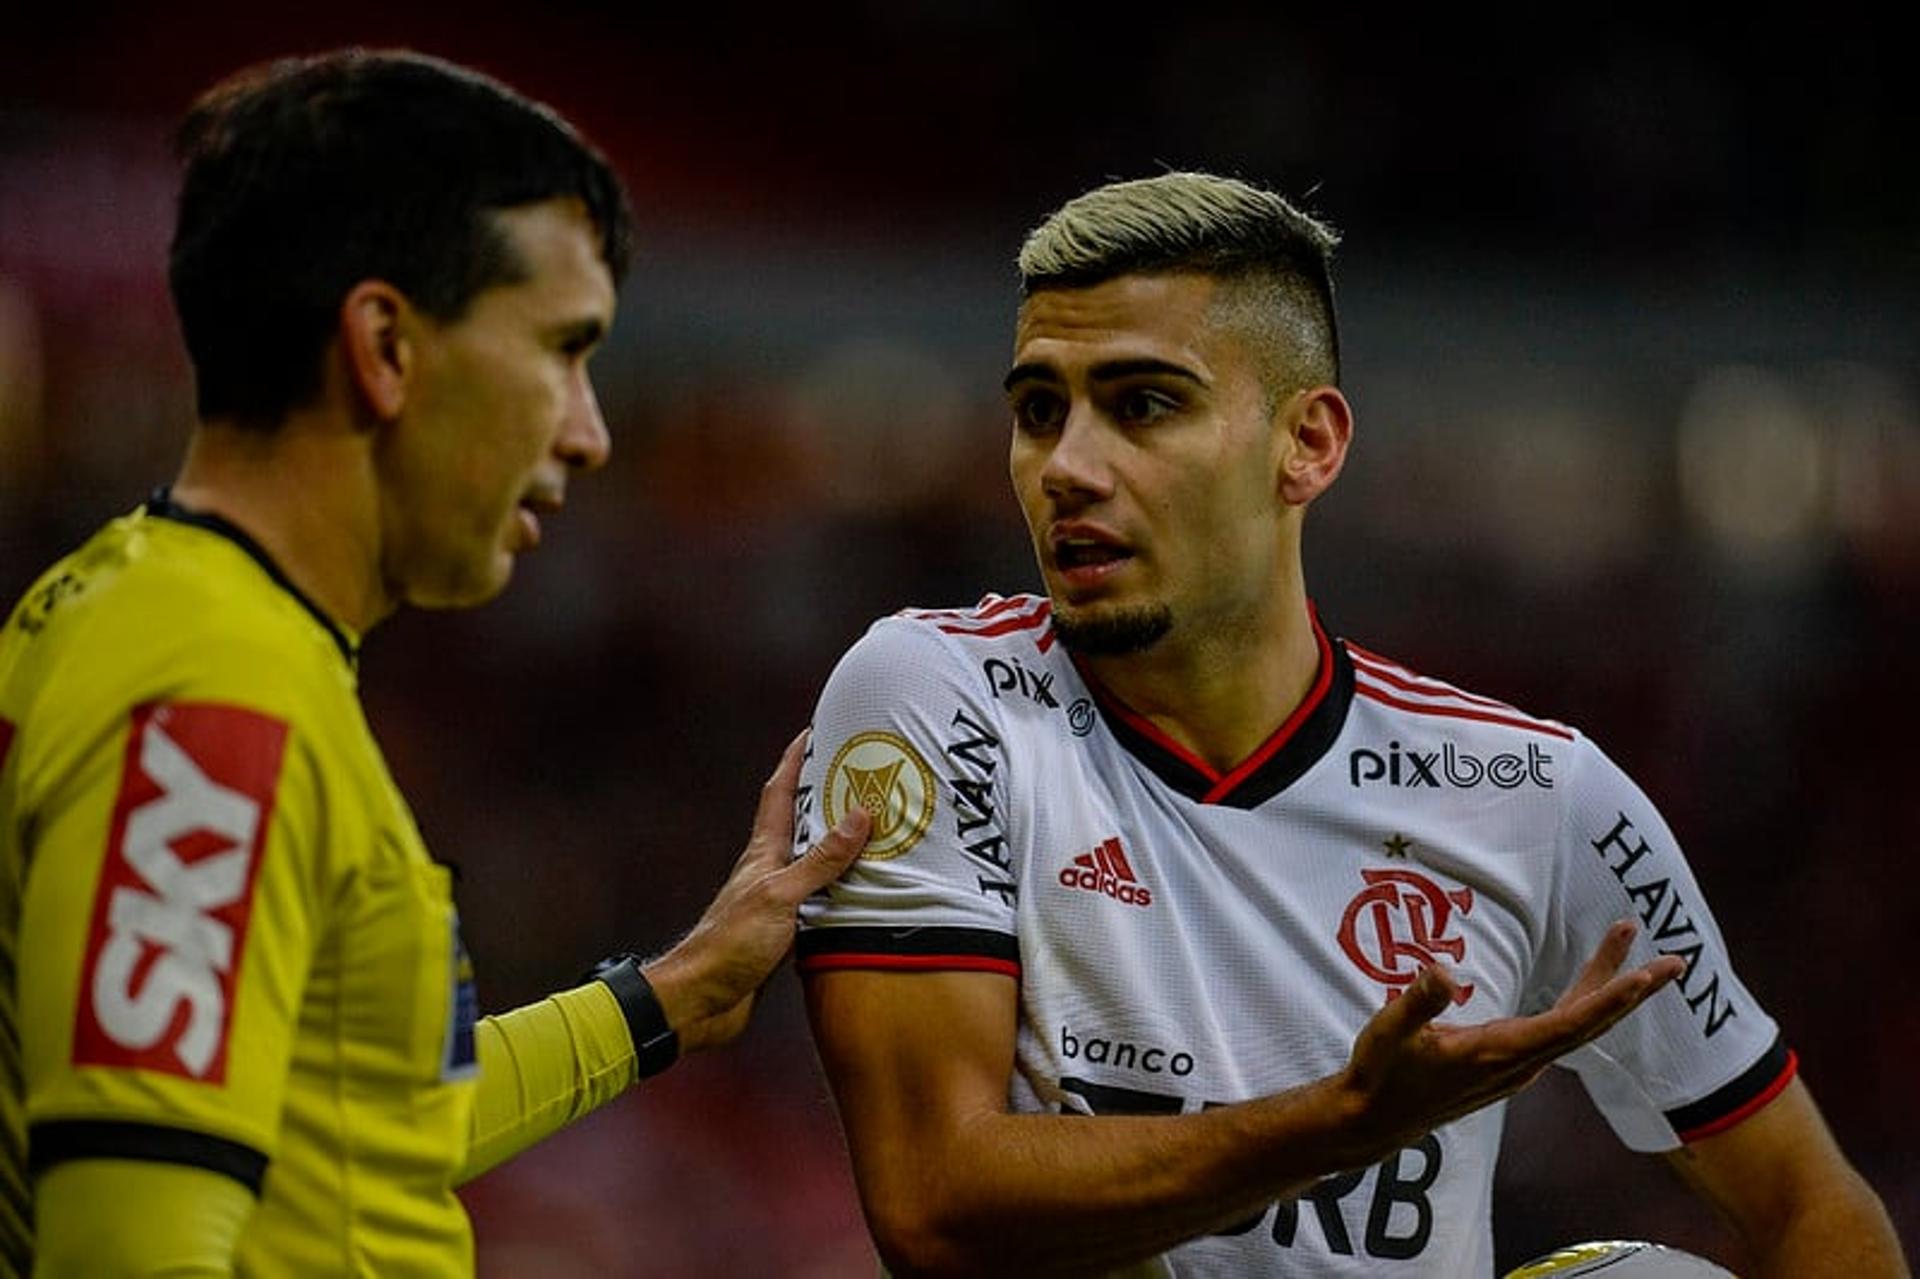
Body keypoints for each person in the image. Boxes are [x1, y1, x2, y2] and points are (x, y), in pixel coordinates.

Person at [793, 173, 1908, 1276]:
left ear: (1308, 445)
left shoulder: (1539, 796)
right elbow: (933, 1205)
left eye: (1143, 404)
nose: (1068, 469)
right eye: (1041, 410)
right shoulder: (935, 699)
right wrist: (1339, 1122)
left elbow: (1814, 1206)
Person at [0, 50, 869, 1277]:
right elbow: (126, 1247)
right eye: (563, 351)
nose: (590, 429)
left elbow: (362, 1131)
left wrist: (672, 996)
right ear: (387, 347)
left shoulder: (165, 614)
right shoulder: (208, 689)